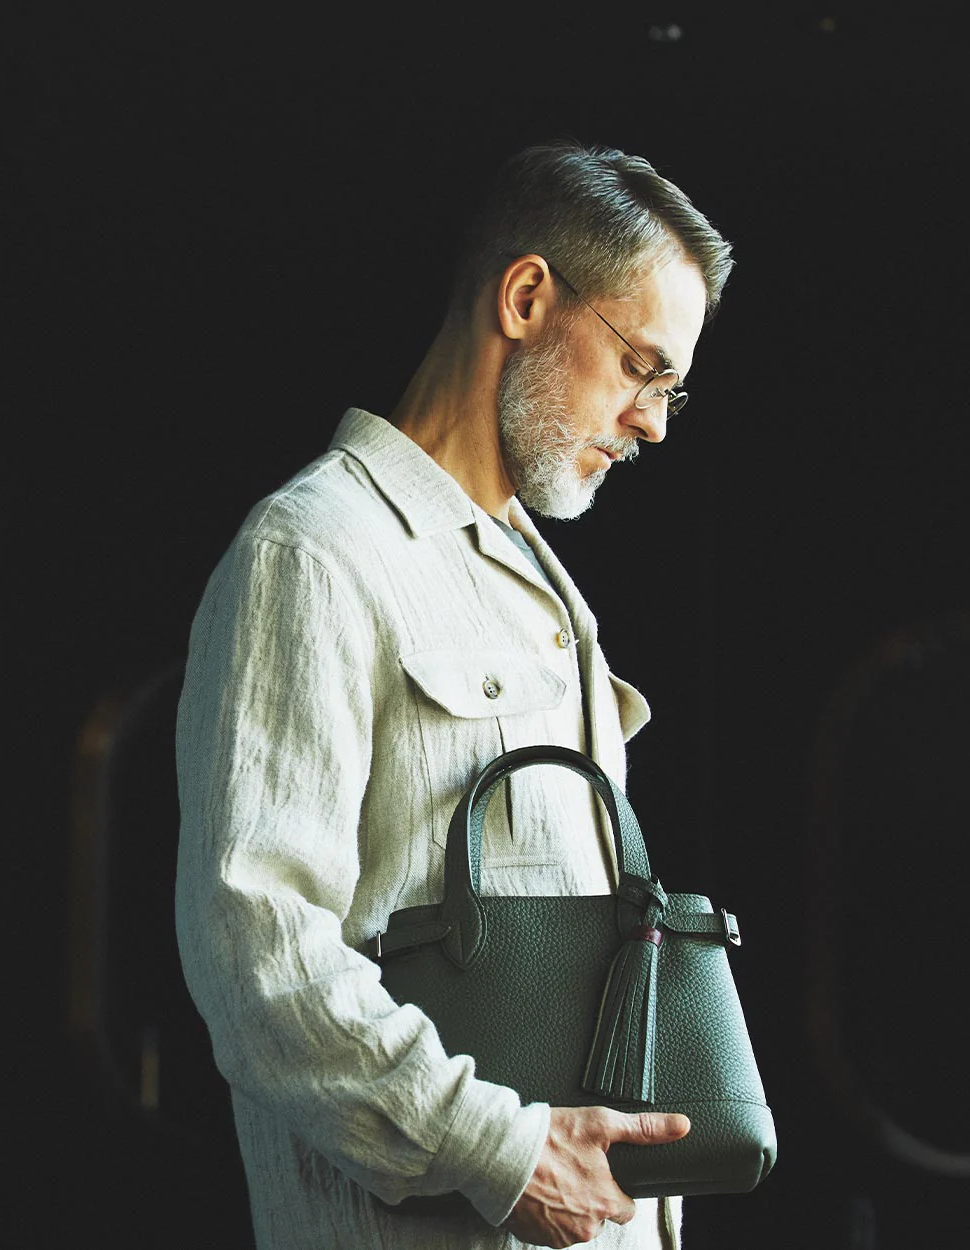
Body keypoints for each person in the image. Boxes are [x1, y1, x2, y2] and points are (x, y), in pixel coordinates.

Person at [174, 139, 733, 1250]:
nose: (654, 421)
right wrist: (501, 1152)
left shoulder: (543, 585)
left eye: (672, 388)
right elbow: (257, 953)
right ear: (526, 298)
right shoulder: (315, 552)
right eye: (639, 366)